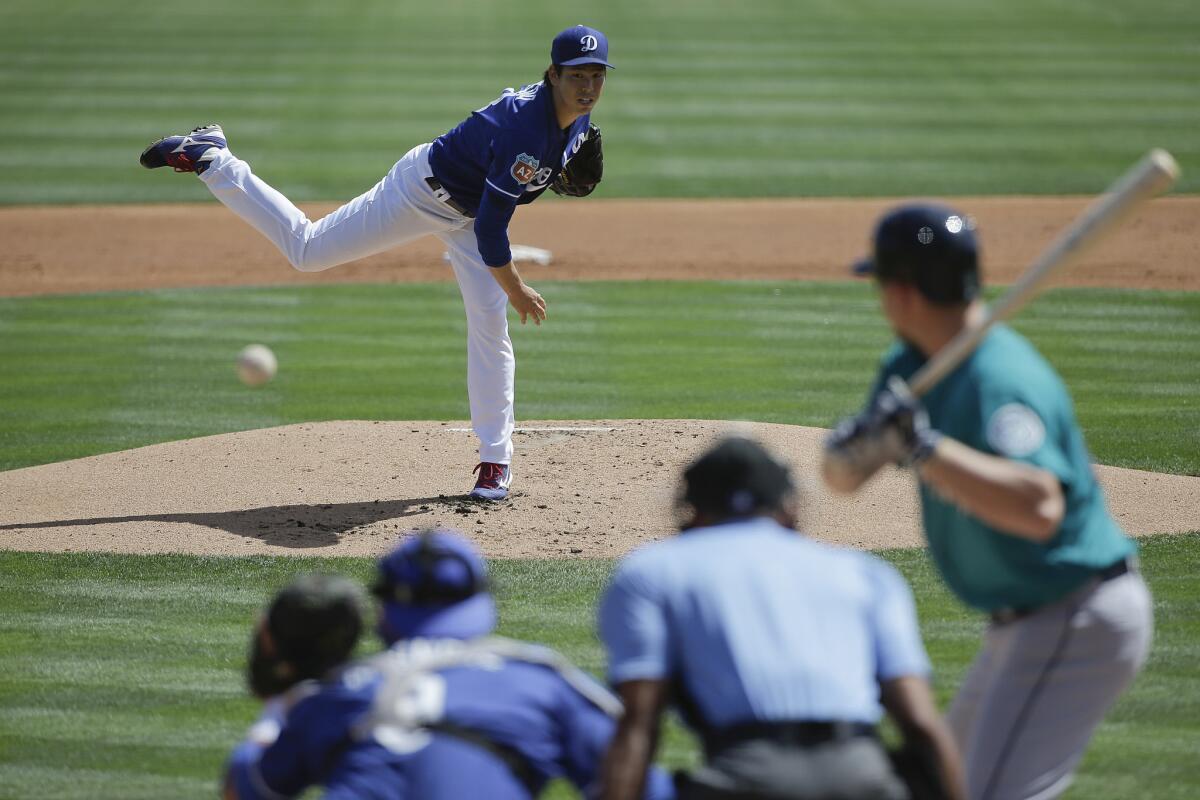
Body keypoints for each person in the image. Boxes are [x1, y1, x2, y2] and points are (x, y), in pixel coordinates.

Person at [139, 25, 614, 501]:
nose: (588, 87)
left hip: (470, 210)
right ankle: (214, 158)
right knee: (308, 251)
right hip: (421, 193)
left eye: (597, 76)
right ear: (553, 74)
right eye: (577, 76)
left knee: (490, 327)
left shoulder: (572, 118)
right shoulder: (525, 137)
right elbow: (492, 230)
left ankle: (495, 461)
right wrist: (516, 288)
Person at [822, 203, 1154, 800]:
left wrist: (924, 448)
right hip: (1026, 624)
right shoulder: (911, 365)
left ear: (902, 293)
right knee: (941, 786)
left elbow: (1039, 510)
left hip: (1074, 614)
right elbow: (841, 481)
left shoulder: (999, 381)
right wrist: (850, 450)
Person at [597, 436, 965, 800]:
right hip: (861, 773)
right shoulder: (865, 573)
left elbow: (639, 724)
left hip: (746, 777)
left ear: (693, 509)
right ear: (788, 506)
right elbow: (921, 724)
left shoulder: (653, 570)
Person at [223, 529, 675, 799]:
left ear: (381, 614)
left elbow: (246, 786)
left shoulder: (335, 696)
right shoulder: (538, 680)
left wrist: (281, 701)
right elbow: (642, 787)